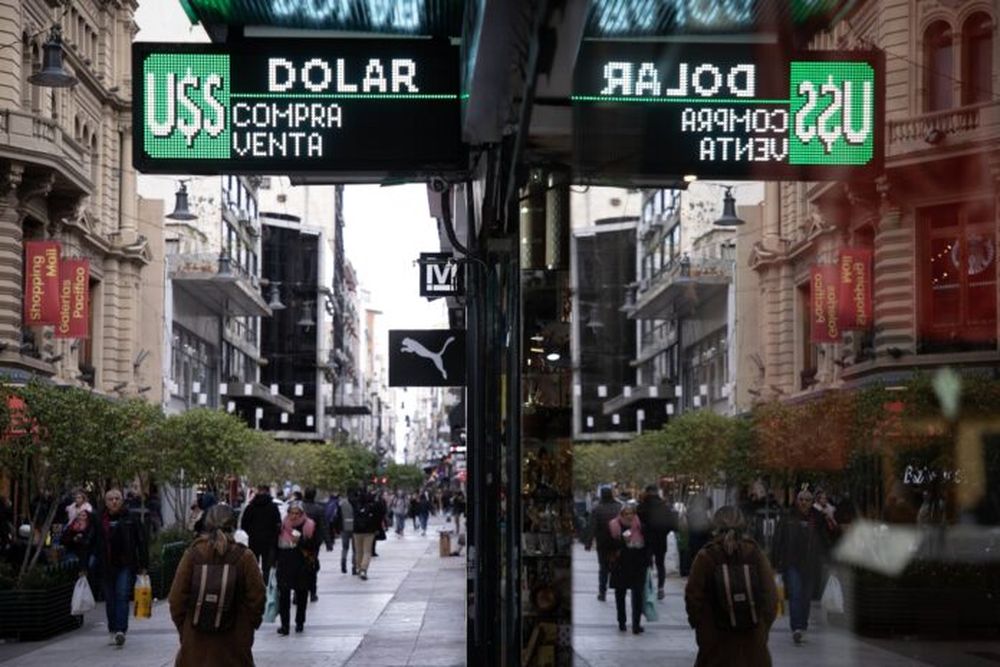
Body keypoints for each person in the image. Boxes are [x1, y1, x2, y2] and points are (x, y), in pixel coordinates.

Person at [168, 505, 265, 666]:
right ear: (233, 526)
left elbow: (176, 598)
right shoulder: (245, 557)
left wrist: (185, 629)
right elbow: (257, 597)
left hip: (195, 645)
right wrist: (247, 627)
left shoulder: (193, 555)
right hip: (235, 646)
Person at [685, 506, 778, 667]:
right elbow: (771, 595)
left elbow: (693, 596)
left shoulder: (706, 556)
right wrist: (762, 626)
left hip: (715, 642)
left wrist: (701, 626)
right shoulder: (755, 553)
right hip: (752, 641)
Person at [95, 488, 148, 648]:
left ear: (122, 500)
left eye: (117, 498)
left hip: (125, 564)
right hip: (106, 565)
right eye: (110, 499)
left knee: (122, 596)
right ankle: (112, 629)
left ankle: (120, 631)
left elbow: (141, 541)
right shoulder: (99, 519)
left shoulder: (130, 518)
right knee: (110, 599)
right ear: (105, 502)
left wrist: (143, 564)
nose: (114, 502)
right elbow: (92, 541)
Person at [772, 489, 824, 645]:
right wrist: (775, 561)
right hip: (792, 562)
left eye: (807, 500)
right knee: (795, 594)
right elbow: (778, 538)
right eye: (801, 499)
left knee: (806, 597)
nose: (804, 503)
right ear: (797, 501)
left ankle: (803, 625)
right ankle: (797, 628)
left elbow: (824, 539)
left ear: (811, 502)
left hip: (810, 564)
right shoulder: (788, 516)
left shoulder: (817, 518)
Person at [275, 501, 320, 635]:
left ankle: (300, 622)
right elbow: (276, 544)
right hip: (285, 564)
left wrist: (301, 541)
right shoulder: (283, 525)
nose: (294, 516)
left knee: (301, 595)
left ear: (302, 514)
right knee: (284, 595)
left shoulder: (309, 525)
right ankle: (285, 625)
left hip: (302, 565)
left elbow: (315, 545)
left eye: (297, 513)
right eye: (291, 513)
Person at [608, 502, 649, 634]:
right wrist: (621, 541)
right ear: (621, 514)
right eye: (626, 513)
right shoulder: (614, 525)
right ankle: (622, 622)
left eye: (631, 513)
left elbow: (647, 544)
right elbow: (608, 544)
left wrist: (647, 560)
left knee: (637, 595)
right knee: (620, 594)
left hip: (637, 564)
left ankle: (636, 625)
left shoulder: (640, 526)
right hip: (620, 564)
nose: (629, 516)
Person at [637, 484, 675, 600]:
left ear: (647, 492)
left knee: (646, 564)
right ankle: (660, 588)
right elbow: (671, 523)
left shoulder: (642, 506)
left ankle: (648, 587)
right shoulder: (665, 506)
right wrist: (664, 532)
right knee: (660, 564)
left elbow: (637, 523)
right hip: (660, 539)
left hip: (646, 539)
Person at [240, 484, 281, 584]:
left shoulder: (250, 507)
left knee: (253, 564)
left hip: (254, 539)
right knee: (267, 566)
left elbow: (243, 524)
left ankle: (255, 584)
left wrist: (251, 532)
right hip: (269, 541)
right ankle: (265, 584)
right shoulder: (273, 507)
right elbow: (278, 524)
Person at [587, 486, 622, 601]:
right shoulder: (619, 507)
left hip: (603, 543)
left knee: (603, 568)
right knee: (617, 567)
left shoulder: (597, 509)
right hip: (617, 542)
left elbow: (592, 527)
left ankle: (602, 592)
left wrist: (588, 542)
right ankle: (618, 591)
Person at [300, 488, 327, 603]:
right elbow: (323, 527)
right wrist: (327, 541)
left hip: (299, 542)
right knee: (312, 567)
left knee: (299, 567)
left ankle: (298, 593)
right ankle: (312, 592)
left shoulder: (299, 507)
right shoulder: (319, 509)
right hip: (313, 544)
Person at [351, 489, 379, 580]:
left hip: (357, 531)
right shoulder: (371, 506)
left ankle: (359, 568)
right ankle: (364, 569)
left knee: (358, 551)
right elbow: (376, 518)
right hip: (369, 531)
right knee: (367, 551)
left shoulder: (355, 506)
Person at [61, 507, 95, 572]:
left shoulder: (90, 527)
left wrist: (81, 539)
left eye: (84, 515)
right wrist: (73, 539)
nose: (81, 517)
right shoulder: (71, 526)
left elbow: (90, 541)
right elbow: (64, 539)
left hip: (86, 553)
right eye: (79, 515)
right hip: (72, 550)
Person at [333, 490, 355, 574]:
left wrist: (337, 528)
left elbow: (337, 516)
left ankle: (343, 562)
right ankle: (354, 566)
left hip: (344, 527)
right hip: (354, 528)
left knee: (345, 547)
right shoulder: (356, 503)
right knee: (355, 549)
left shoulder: (341, 503)